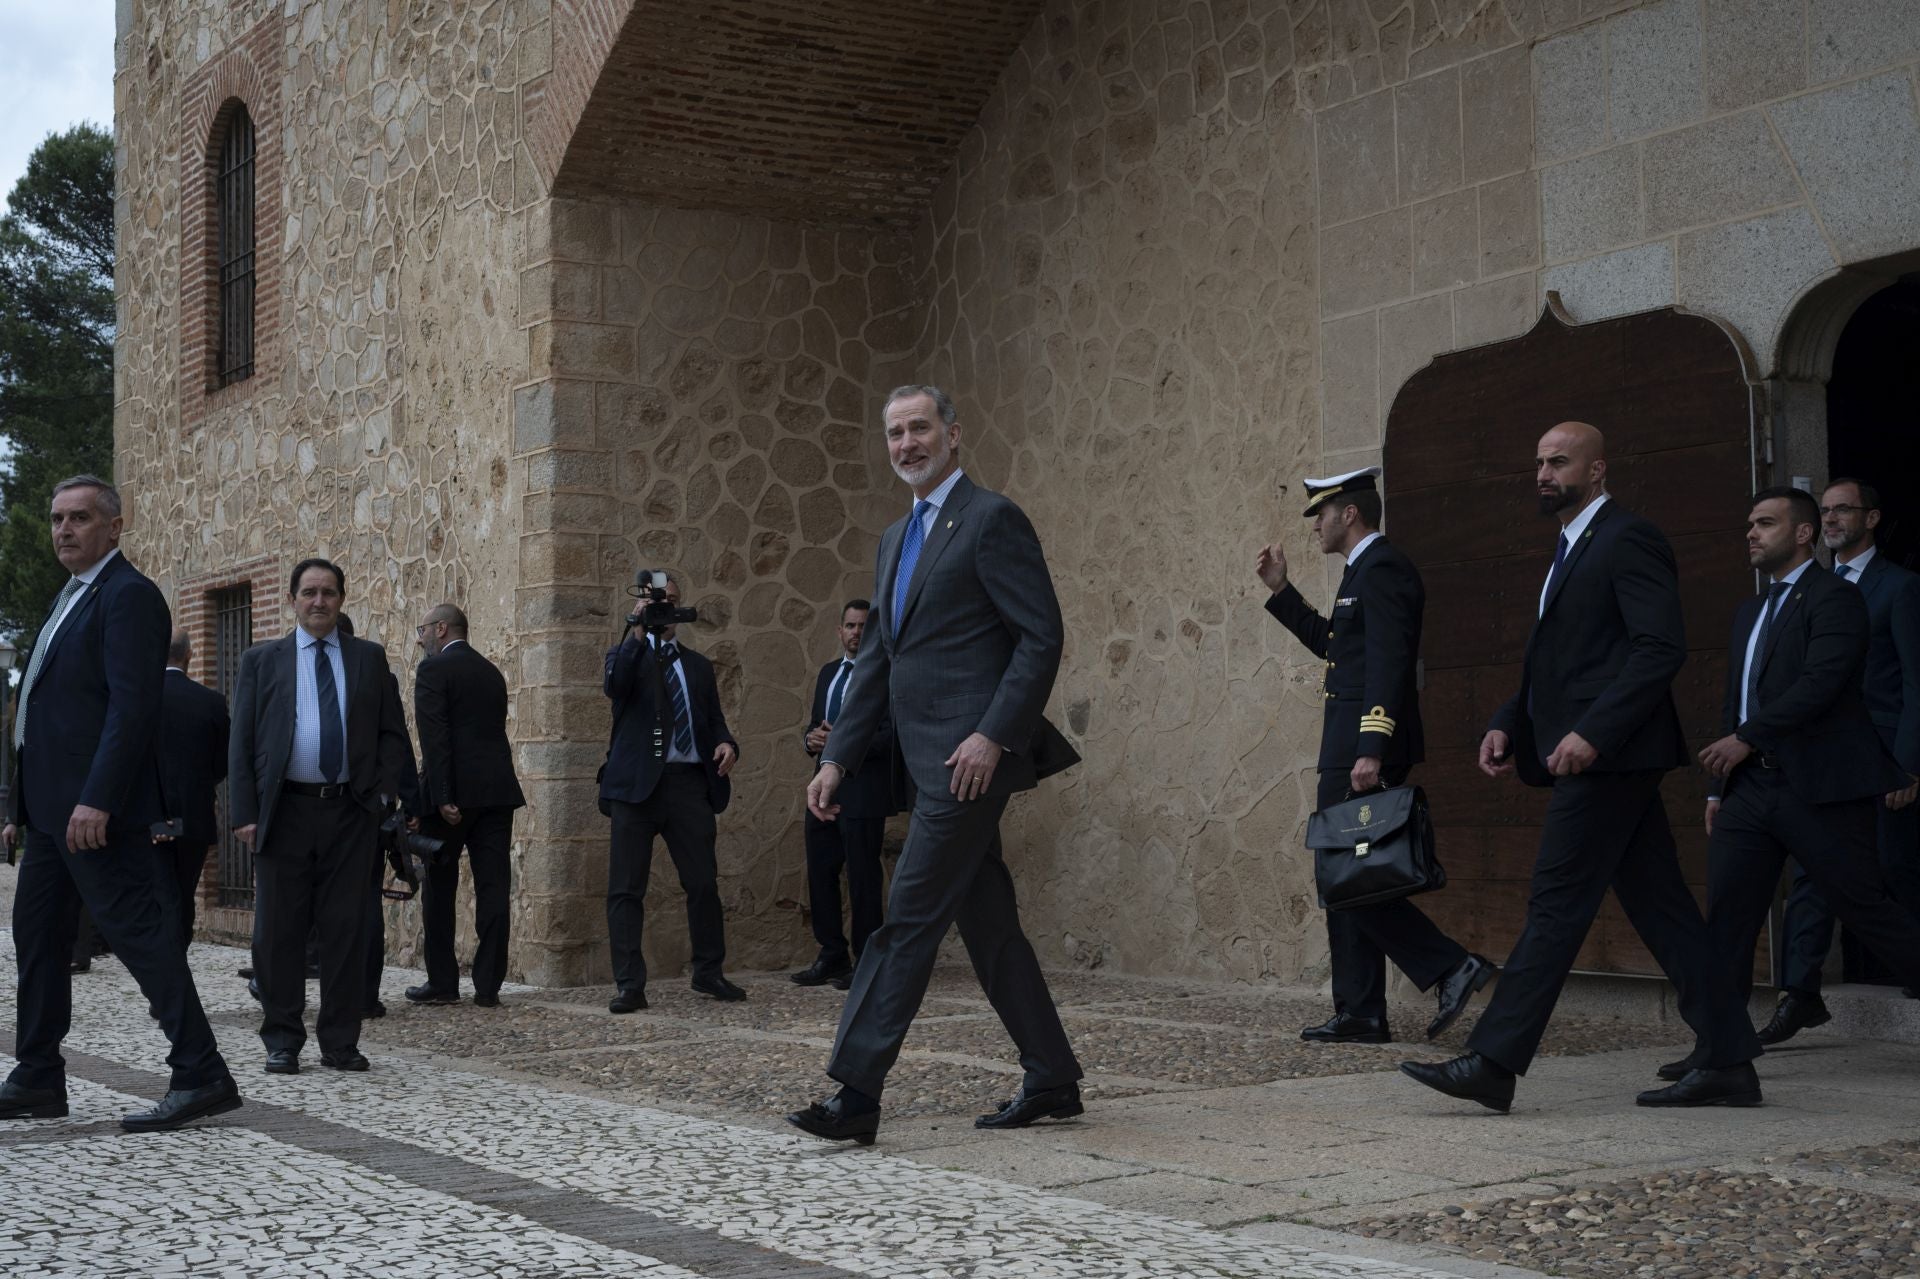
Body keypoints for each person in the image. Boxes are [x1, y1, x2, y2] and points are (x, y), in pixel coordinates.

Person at [1401, 422, 1762, 1113]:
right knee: (1666, 912)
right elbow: (1558, 665)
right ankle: (1728, 1057)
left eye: (1558, 461)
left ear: (1597, 471)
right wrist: (1510, 718)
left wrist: (1592, 734)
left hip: (1611, 760)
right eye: (1538, 461)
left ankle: (1494, 1060)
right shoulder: (1568, 547)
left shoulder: (1629, 538)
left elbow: (1660, 648)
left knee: (1556, 903)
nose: (1543, 473)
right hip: (1603, 757)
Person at [788, 384, 1083, 1146]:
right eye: (894, 432)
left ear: (955, 435)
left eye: (920, 427)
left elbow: (1040, 637)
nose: (906, 443)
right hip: (924, 768)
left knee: (904, 921)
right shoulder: (894, 538)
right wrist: (839, 761)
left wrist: (993, 734)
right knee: (990, 928)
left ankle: (855, 1092)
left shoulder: (991, 519)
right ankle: (1051, 1074)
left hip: (968, 764)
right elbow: (881, 658)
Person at [1, 475, 240, 1131]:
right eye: (55, 519)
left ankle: (201, 1072)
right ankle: (39, 1075)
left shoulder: (129, 596)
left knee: (142, 939)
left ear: (114, 526)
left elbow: (133, 708)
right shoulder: (69, 596)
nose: (63, 530)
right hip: (49, 815)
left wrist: (99, 798)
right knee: (39, 939)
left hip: (92, 815)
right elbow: (44, 712)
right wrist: (17, 805)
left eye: (78, 518)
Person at [1678, 488, 1920, 1075]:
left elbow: (1822, 683)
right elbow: (1737, 698)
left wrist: (1748, 737)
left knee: (1866, 907)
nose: (1751, 534)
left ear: (1805, 533)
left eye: (1765, 523)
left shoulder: (1836, 599)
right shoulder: (1750, 611)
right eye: (1749, 524)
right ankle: (1720, 1052)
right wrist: (1718, 786)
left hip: (1820, 790)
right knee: (1728, 920)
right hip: (1750, 790)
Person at [1257, 466, 1492, 1044]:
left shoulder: (1384, 568)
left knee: (1347, 878)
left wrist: (1372, 748)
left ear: (1350, 513)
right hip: (1349, 744)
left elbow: (1388, 663)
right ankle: (1360, 1011)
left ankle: (1449, 965)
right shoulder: (1361, 572)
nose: (1316, 526)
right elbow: (1337, 648)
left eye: (1322, 515)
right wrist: (1282, 593)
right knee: (1349, 874)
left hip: (1362, 746)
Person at [229, 559, 410, 1075]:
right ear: (292, 600)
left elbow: (393, 738)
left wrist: (381, 799)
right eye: (309, 592)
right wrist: (245, 814)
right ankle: (282, 1040)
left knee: (345, 930)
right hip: (283, 811)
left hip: (350, 815)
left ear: (341, 599)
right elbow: (240, 743)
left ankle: (340, 1041)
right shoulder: (262, 661)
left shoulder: (369, 660)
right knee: (277, 933)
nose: (318, 602)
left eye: (328, 592)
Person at [1759, 478, 1920, 1041]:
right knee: (1811, 874)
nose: (1831, 520)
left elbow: (1915, 682)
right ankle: (1799, 993)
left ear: (1871, 518)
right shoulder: (1813, 591)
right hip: (1821, 762)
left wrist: (1908, 763)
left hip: (1880, 758)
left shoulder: (1900, 588)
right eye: (1824, 511)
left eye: (1842, 510)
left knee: (1893, 869)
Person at [599, 573, 744, 1012]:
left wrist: (726, 743)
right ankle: (629, 984)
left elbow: (713, 719)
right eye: (657, 600)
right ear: (642, 603)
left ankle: (709, 971)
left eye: (673, 601)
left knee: (702, 882)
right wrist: (638, 632)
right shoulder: (626, 654)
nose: (667, 608)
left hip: (687, 784)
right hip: (636, 789)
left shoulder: (697, 665)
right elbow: (615, 686)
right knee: (626, 888)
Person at [405, 603, 525, 1008]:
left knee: (439, 888)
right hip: (496, 794)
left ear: (441, 628)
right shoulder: (491, 672)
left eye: (421, 630)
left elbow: (434, 737)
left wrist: (441, 796)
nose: (419, 639)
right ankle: (488, 985)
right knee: (494, 888)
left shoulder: (433, 670)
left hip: (453, 798)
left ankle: (443, 983)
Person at [794, 599, 893, 991]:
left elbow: (890, 737)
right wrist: (811, 740)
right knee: (820, 872)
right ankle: (831, 953)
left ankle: (867, 959)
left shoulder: (883, 674)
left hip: (864, 790)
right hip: (822, 789)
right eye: (850, 626)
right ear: (839, 631)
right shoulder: (828, 674)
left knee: (864, 876)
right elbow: (814, 726)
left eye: (863, 626)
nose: (855, 633)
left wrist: (847, 745)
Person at [155, 627, 231, 950]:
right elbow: (223, 765)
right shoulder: (212, 702)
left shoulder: (141, 698)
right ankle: (177, 960)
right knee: (184, 892)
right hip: (194, 816)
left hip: (151, 815)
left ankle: (161, 970)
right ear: (189, 655)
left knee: (158, 893)